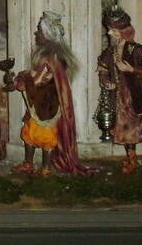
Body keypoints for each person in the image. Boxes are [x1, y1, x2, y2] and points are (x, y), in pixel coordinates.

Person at [13, 11, 91, 175]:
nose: (36, 34)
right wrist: (25, 77)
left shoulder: (51, 58)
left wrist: (23, 82)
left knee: (45, 135)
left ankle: (45, 167)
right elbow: (36, 76)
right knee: (30, 131)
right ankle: (29, 163)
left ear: (47, 34)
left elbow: (39, 79)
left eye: (39, 31)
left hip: (46, 103)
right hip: (39, 100)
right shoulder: (47, 56)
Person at [98, 6, 142, 174]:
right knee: (123, 129)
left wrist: (132, 70)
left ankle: (132, 159)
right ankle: (131, 158)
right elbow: (103, 70)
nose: (109, 33)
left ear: (122, 32)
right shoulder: (110, 52)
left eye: (112, 30)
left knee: (131, 129)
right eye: (109, 29)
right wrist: (106, 82)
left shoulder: (136, 50)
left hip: (132, 97)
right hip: (117, 97)